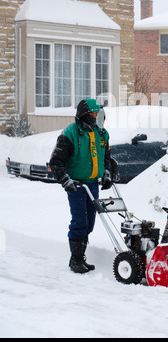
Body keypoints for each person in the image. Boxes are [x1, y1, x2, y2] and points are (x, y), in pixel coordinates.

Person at [50, 99, 115, 274]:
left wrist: (107, 173)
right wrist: (65, 180)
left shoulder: (102, 134)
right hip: (77, 185)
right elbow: (56, 162)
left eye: (99, 114)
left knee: (90, 223)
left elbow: (106, 157)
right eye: (95, 114)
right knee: (80, 221)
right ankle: (76, 260)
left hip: (93, 184)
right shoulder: (70, 134)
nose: (98, 117)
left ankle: (79, 257)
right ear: (86, 115)